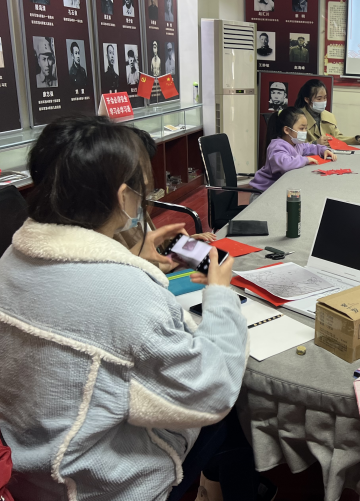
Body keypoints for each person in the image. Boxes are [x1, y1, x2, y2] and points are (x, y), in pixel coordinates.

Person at [0, 115, 274, 501]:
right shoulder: (125, 292)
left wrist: (134, 259)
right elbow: (211, 390)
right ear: (124, 197)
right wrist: (221, 294)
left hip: (30, 468)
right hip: (100, 486)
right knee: (237, 413)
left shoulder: (10, 259)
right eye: (143, 191)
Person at [115, 128, 216, 270]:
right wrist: (169, 262)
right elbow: (133, 269)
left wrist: (184, 243)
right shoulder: (113, 229)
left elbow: (153, 248)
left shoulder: (135, 207)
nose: (146, 180)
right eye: (141, 171)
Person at [250, 107, 336, 193]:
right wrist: (305, 160)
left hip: (280, 187)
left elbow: (309, 147)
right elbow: (284, 164)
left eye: (306, 128)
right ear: (287, 130)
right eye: (301, 128)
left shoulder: (297, 144)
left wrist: (323, 150)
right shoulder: (277, 146)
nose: (305, 132)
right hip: (264, 191)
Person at [294, 79, 360, 146]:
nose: (323, 101)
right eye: (319, 99)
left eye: (325, 98)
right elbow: (293, 145)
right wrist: (315, 143)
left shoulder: (328, 116)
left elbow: (337, 137)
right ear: (307, 99)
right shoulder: (296, 118)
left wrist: (358, 139)